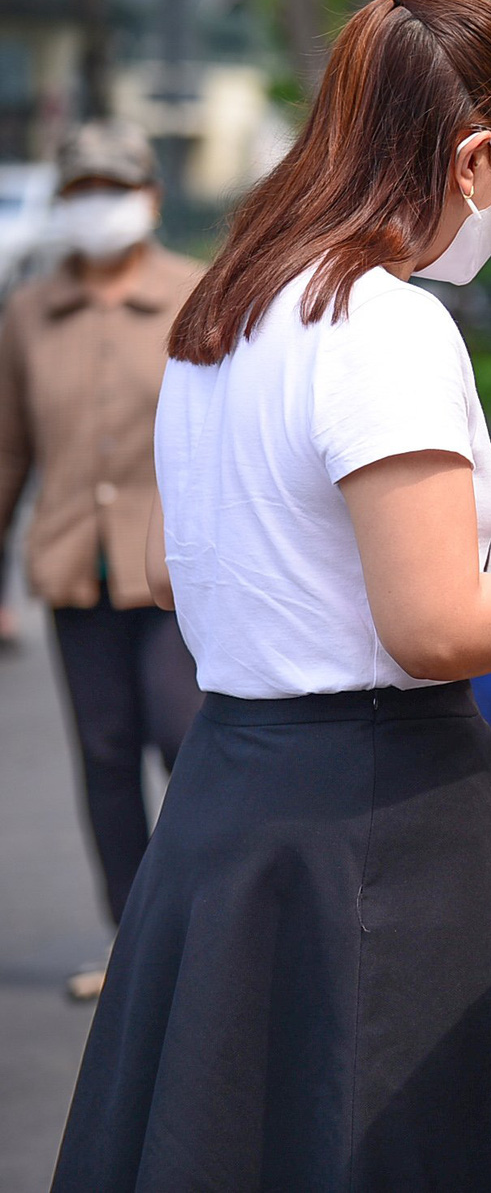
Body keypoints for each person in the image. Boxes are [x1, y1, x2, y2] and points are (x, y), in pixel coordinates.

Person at [51, 0, 491, 1191]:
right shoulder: (382, 323)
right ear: (471, 155)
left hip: (232, 791)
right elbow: (437, 624)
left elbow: (169, 563)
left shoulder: (227, 304)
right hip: (372, 807)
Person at [0, 120, 205, 1002]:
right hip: (72, 567)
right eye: (79, 190)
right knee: (105, 753)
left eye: (111, 189)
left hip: (172, 572)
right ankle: (134, 949)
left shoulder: (198, 294)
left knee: (185, 739)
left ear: (151, 198)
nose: (96, 207)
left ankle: (206, 939)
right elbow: (9, 451)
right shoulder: (28, 312)